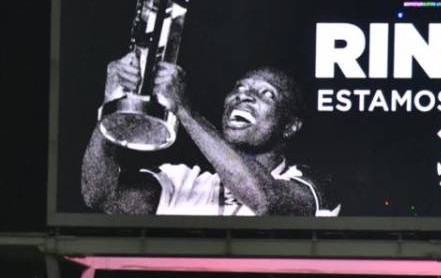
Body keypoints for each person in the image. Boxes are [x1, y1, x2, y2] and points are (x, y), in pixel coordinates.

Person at [82, 54, 340, 217]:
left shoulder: (314, 186)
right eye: (240, 88)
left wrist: (184, 110)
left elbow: (265, 201)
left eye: (266, 94)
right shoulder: (183, 181)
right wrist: (112, 106)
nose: (244, 96)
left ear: (290, 126)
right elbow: (101, 197)